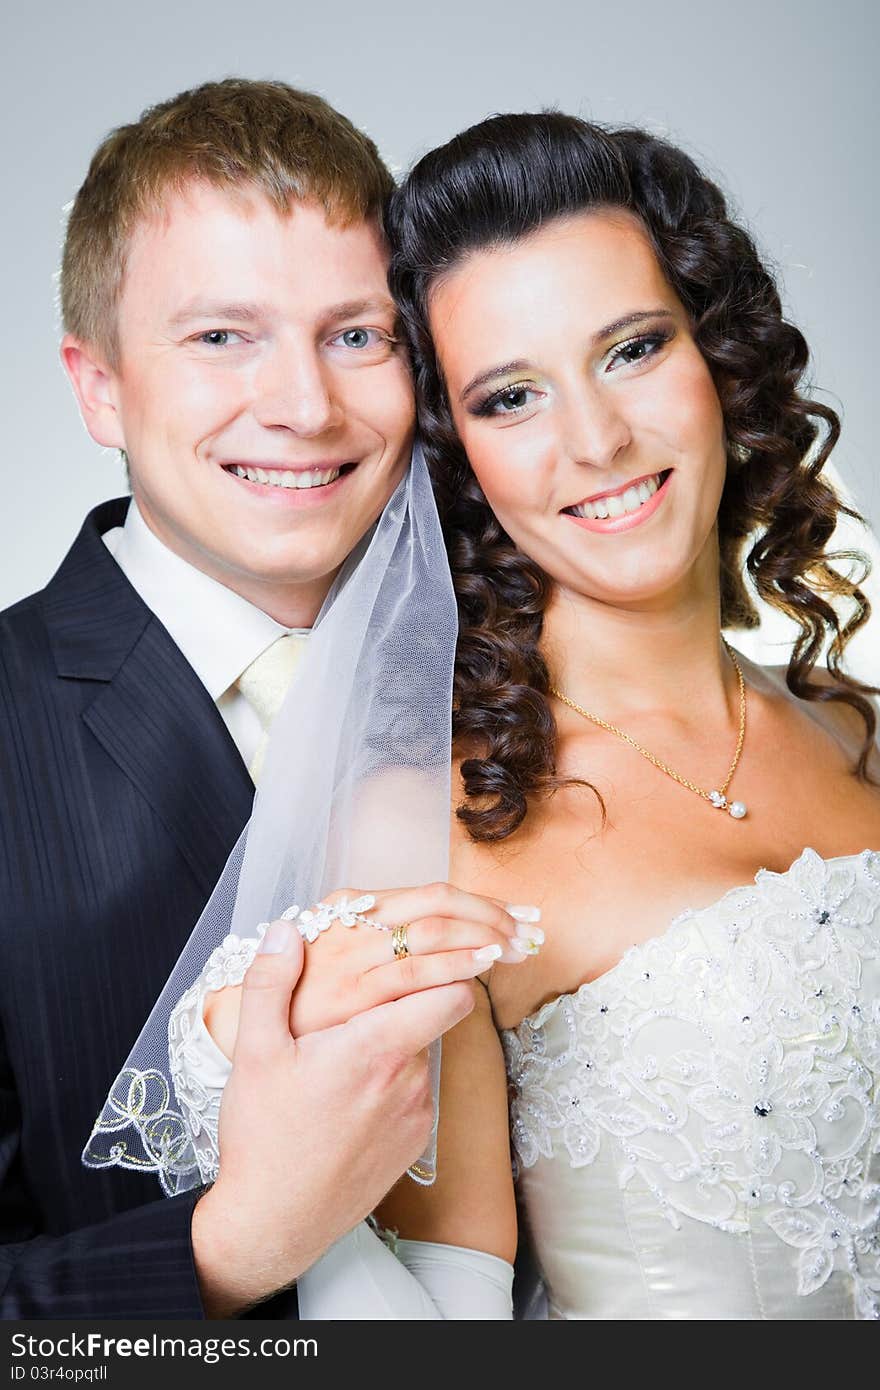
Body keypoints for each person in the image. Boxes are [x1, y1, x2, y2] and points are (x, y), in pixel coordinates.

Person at [173, 111, 880, 1319]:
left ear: (717, 353)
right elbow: (431, 1325)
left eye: (632, 349)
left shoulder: (854, 725)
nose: (597, 442)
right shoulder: (433, 833)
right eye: (510, 398)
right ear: (454, 455)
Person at [0, 78, 538, 1320]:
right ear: (100, 388)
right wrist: (234, 1243)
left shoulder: (528, 682)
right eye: (220, 337)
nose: (305, 405)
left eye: (356, 334)